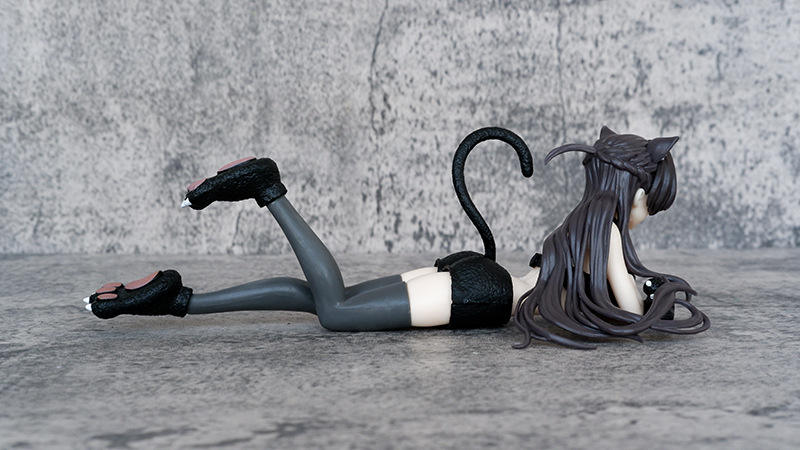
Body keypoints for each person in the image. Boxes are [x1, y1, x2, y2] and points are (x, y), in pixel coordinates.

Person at [83, 126, 709, 349]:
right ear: (631, 192)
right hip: (480, 298)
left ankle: (179, 299)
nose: (645, 216)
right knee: (336, 312)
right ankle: (268, 190)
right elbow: (631, 314)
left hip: (477, 283)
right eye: (649, 204)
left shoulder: (581, 228)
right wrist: (652, 294)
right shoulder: (603, 236)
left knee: (322, 297)